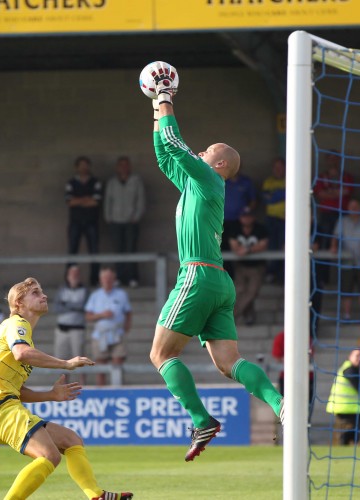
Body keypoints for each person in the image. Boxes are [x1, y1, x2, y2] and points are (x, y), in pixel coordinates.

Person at [147, 67, 283, 462]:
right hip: (220, 282)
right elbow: (163, 152)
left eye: (206, 152)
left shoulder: (208, 179)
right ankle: (281, 404)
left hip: (197, 273)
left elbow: (174, 140)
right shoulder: (195, 183)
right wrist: (155, 106)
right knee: (229, 363)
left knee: (161, 355)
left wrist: (166, 95)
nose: (200, 154)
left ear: (218, 165)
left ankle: (201, 419)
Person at [0, 277, 132, 500]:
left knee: (71, 440)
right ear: (19, 303)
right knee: (49, 456)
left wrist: (50, 395)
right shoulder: (16, 325)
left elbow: (17, 390)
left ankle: (96, 495)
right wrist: (66, 363)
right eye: (36, 293)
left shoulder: (20, 332)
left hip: (0, 409)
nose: (44, 296)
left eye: (42, 291)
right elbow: (21, 353)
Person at [329, 198, 360, 322]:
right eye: (351, 207)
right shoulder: (342, 221)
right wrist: (334, 247)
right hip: (346, 262)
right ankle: (347, 315)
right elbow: (335, 237)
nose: (354, 209)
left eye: (356, 207)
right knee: (346, 290)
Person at [85, 267, 132, 386]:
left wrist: (127, 326)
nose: (107, 280)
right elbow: (88, 316)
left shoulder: (121, 294)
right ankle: (102, 395)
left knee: (117, 366)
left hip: (117, 333)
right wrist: (101, 315)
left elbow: (128, 312)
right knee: (101, 368)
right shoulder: (95, 296)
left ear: (114, 279)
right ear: (100, 280)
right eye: (105, 278)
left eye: (110, 278)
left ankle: (118, 393)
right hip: (100, 335)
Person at [104, 156, 146, 288]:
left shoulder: (136, 180)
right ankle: (119, 277)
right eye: (121, 165)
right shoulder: (112, 182)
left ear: (129, 166)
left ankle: (132, 277)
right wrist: (108, 216)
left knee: (131, 248)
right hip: (115, 221)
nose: (123, 167)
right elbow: (107, 201)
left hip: (131, 221)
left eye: (126, 164)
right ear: (117, 167)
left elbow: (141, 199)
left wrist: (137, 216)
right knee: (118, 250)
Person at [226, 206, 268, 325]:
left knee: (252, 292)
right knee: (240, 290)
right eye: (244, 216)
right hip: (241, 266)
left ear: (253, 217)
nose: (247, 219)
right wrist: (248, 250)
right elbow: (234, 247)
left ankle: (232, 315)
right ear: (240, 218)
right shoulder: (235, 228)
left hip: (257, 267)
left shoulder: (260, 228)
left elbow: (263, 245)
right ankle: (248, 315)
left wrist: (248, 250)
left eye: (249, 216)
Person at [65, 156, 103, 286]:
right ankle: (69, 281)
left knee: (94, 251)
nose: (84, 168)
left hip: (91, 221)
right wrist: (86, 199)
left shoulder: (95, 182)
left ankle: (95, 280)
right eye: (81, 165)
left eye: (86, 165)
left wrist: (79, 200)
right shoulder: (71, 183)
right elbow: (70, 202)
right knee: (72, 250)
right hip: (75, 222)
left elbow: (95, 201)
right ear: (77, 167)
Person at [53, 264, 89, 381]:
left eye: (76, 274)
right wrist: (75, 306)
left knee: (79, 359)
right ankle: (63, 386)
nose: (74, 276)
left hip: (77, 329)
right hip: (62, 330)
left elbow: (84, 306)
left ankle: (83, 386)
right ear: (67, 276)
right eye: (72, 274)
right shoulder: (61, 289)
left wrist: (67, 304)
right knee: (61, 360)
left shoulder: (85, 290)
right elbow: (57, 308)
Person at [313, 150, 354, 250]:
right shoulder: (321, 177)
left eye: (335, 158)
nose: (333, 161)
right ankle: (325, 265)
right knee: (326, 242)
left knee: (345, 243)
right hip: (326, 214)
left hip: (343, 214)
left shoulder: (346, 176)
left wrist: (329, 192)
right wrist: (337, 192)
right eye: (330, 158)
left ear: (339, 160)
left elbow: (347, 191)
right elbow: (320, 194)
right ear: (327, 160)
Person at [271, 330, 314, 417]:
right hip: (286, 378)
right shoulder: (281, 337)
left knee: (305, 406)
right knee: (287, 406)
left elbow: (309, 357)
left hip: (306, 378)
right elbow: (277, 357)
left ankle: (305, 426)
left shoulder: (305, 337)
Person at [261, 157, 286, 283]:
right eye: (276, 168)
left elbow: (272, 197)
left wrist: (275, 194)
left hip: (286, 221)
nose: (278, 170)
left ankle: (283, 275)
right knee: (272, 246)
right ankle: (271, 273)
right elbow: (268, 199)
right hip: (272, 219)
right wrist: (282, 193)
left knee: (285, 247)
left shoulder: (290, 179)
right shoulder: (268, 182)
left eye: (280, 167)